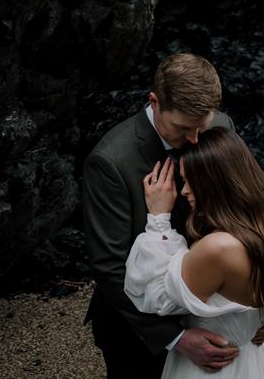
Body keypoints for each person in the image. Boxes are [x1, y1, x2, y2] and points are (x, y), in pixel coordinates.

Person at [81, 53, 240, 378]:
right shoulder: (110, 162)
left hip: (209, 309)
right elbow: (109, 265)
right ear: (154, 102)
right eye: (183, 128)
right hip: (138, 332)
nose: (196, 140)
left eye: (203, 126)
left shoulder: (221, 127)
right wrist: (175, 338)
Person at [124, 129, 264, 378]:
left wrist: (159, 220)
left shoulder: (218, 248)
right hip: (249, 357)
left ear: (215, 183)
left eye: (191, 181)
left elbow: (155, 298)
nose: (184, 191)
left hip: (209, 367)